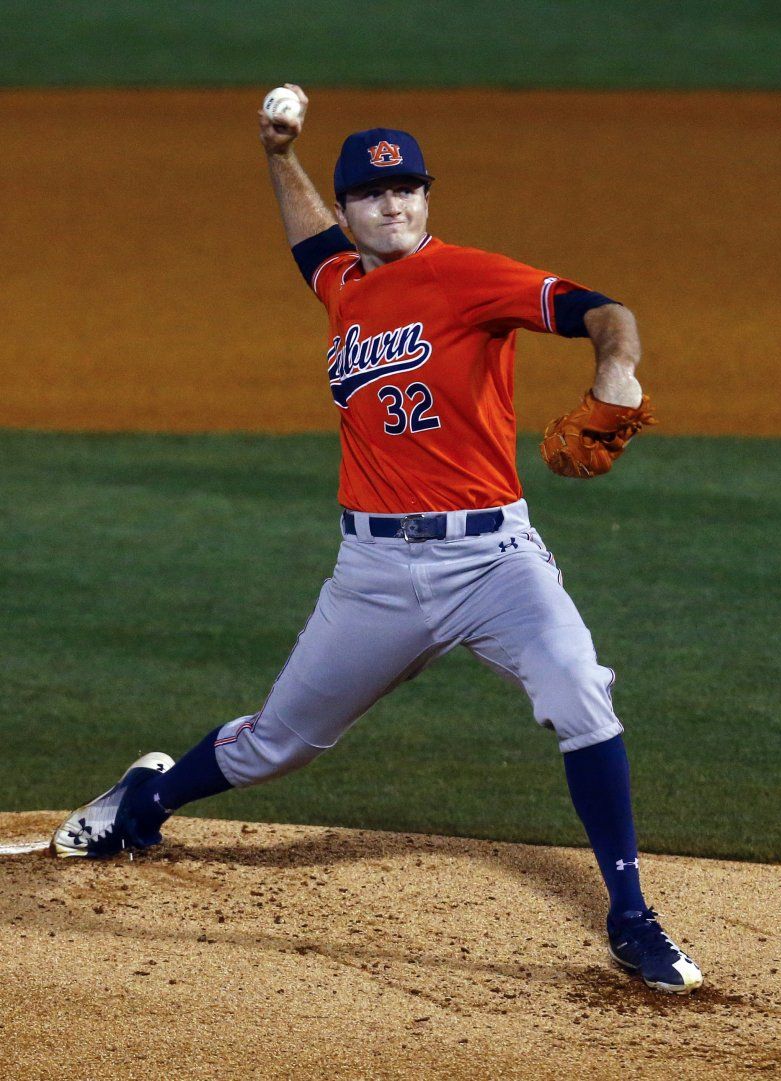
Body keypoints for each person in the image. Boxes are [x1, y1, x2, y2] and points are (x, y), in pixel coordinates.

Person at [52, 84, 702, 995]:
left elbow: (604, 310)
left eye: (409, 190)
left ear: (426, 199)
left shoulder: (471, 275)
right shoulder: (342, 285)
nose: (393, 206)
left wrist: (618, 371)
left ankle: (632, 918)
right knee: (278, 743)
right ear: (352, 208)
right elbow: (309, 240)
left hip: (492, 561)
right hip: (374, 572)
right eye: (372, 195)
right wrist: (281, 155)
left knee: (577, 692)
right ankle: (141, 802)